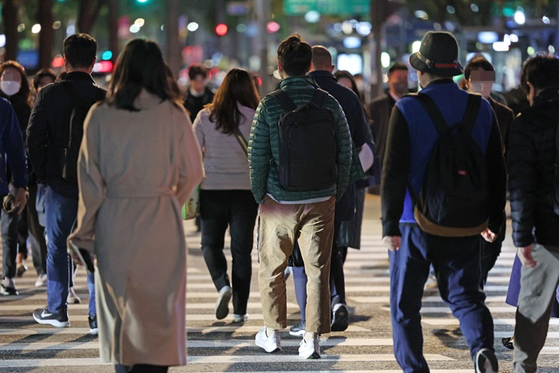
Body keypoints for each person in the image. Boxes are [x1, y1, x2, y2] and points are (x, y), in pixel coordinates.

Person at [67, 38, 203, 373]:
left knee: (121, 310)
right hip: (161, 219)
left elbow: (90, 183)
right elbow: (193, 171)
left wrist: (83, 232)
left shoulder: (100, 115)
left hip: (115, 219)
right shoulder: (173, 114)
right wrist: (169, 199)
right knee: (159, 312)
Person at [381, 31, 506, 373]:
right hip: (466, 221)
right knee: (467, 297)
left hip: (413, 223)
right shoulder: (481, 109)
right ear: (454, 70)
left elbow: (393, 172)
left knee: (405, 305)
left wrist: (389, 225)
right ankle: (481, 349)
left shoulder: (406, 108)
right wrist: (494, 220)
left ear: (422, 72)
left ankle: (415, 369)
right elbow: (497, 169)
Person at [249, 33, 353, 359]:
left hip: (278, 199)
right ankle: (312, 339)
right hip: (321, 197)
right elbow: (346, 152)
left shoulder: (269, 104)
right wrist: (335, 191)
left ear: (279, 67)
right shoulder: (329, 102)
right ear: (310, 66)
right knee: (318, 270)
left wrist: (259, 195)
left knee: (271, 266)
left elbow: (258, 156)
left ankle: (272, 332)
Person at [27, 33, 105, 333]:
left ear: (65, 59)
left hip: (60, 185)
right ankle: (97, 317)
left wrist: (46, 176)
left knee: (57, 246)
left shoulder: (48, 95)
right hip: (96, 187)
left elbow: (33, 140)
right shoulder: (103, 98)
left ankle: (57, 310)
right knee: (96, 249)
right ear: (93, 60)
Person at [288, 46, 368, 336]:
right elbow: (360, 139)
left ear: (308, 66)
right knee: (330, 247)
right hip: (338, 185)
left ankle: (314, 315)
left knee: (303, 253)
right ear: (331, 66)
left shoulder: (291, 94)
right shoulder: (347, 97)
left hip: (297, 188)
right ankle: (337, 301)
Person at [193, 68, 260, 323]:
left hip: (213, 190)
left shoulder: (205, 116)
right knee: (241, 251)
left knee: (210, 244)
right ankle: (240, 310)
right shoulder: (256, 116)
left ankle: (222, 285)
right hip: (246, 192)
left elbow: (190, 152)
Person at [507, 53, 559, 373]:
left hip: (546, 230)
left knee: (532, 311)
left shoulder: (526, 122)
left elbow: (521, 186)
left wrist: (522, 236)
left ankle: (524, 368)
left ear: (530, 86)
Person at [463, 55, 514, 287]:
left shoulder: (504, 114)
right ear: (467, 82)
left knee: (492, 248)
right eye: (477, 80)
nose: (483, 85)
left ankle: (477, 282)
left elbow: (509, 156)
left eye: (487, 80)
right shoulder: (458, 111)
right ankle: (473, 288)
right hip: (462, 192)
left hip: (493, 190)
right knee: (469, 249)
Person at [0, 92, 29, 295]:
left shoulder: (3, 107)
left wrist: (20, 185)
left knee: (8, 231)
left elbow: (16, 148)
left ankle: (8, 276)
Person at [367, 62, 408, 193]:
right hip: (383, 164)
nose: (402, 81)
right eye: (399, 78)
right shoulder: (375, 107)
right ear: (389, 79)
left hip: (407, 166)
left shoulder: (414, 104)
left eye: (405, 78)